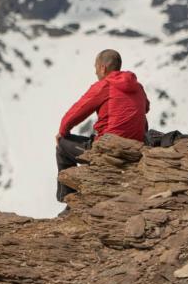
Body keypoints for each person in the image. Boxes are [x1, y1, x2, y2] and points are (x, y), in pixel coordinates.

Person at [55, 49, 149, 201]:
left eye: (95, 67)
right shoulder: (137, 87)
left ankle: (68, 200)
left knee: (62, 145)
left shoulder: (104, 86)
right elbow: (146, 107)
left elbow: (76, 112)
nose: (95, 72)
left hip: (109, 150)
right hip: (136, 147)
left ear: (102, 68)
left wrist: (62, 131)